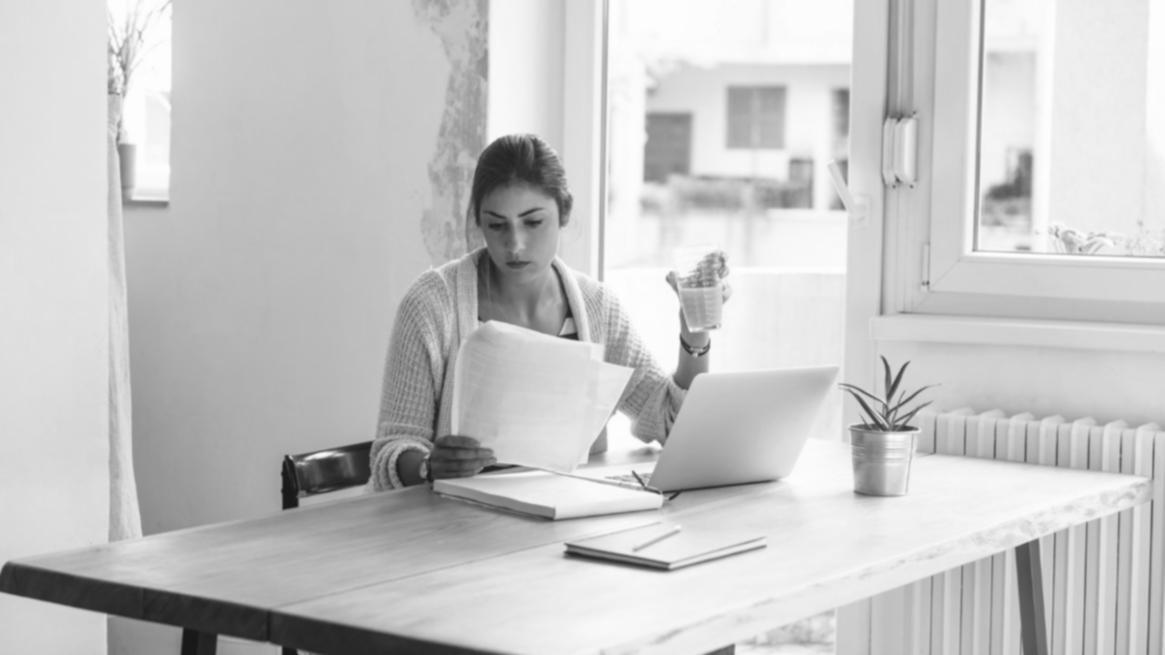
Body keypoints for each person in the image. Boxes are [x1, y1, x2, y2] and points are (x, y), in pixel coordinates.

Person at [370, 133, 729, 490]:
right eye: (496, 225)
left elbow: (675, 425)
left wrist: (694, 331)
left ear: (564, 212)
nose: (515, 245)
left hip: (562, 522)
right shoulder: (432, 305)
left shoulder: (597, 308)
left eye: (532, 222)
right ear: (479, 221)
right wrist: (429, 466)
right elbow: (391, 451)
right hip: (452, 528)